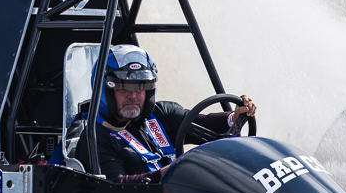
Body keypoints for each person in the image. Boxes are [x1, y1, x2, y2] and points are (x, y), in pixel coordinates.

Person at [75, 44, 256, 184]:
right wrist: (168, 172)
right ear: (105, 90)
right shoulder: (95, 137)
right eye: (123, 88)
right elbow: (115, 185)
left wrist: (234, 117)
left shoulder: (161, 113)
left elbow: (202, 123)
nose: (133, 95)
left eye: (141, 87)